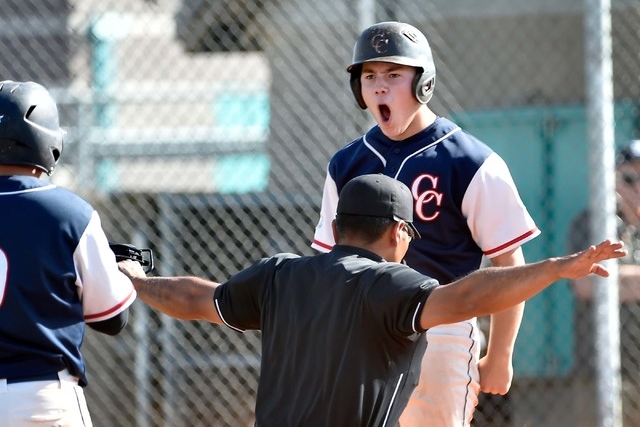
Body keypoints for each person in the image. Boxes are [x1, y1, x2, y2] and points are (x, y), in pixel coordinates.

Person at [118, 173, 624, 427]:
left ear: (336, 229)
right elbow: (471, 294)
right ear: (401, 234)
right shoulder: (390, 285)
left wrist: (136, 282)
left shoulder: (279, 275)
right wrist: (557, 267)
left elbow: (196, 297)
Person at [311, 21, 540, 426]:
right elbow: (331, 268)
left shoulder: (470, 161)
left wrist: (501, 354)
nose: (379, 87)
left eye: (394, 75)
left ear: (424, 83)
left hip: (442, 329)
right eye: (369, 76)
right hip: (363, 332)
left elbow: (511, 267)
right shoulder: (346, 164)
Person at [0, 80, 137, 426]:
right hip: (40, 399)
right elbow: (111, 318)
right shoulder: (69, 214)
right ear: (48, 142)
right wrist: (126, 276)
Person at [567, 140, 640, 426]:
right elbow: (587, 284)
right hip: (601, 371)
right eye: (629, 178)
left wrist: (623, 280)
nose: (637, 187)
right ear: (612, 180)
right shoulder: (592, 224)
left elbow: (609, 281)